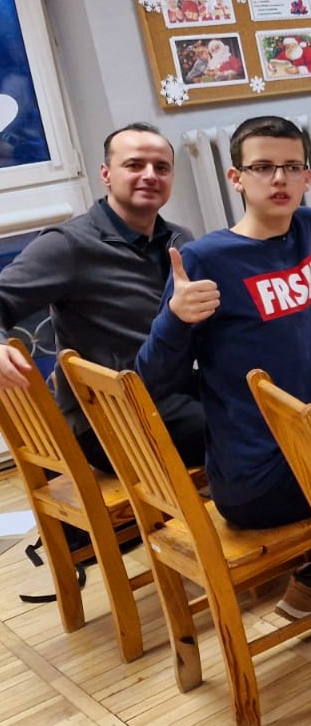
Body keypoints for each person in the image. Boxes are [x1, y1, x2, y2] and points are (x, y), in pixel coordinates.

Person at [135, 116, 311, 618]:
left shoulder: (308, 227)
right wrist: (174, 318)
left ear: (308, 177)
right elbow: (151, 380)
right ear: (236, 178)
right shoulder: (205, 259)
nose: (279, 179)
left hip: (309, 442)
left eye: (291, 167)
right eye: (262, 167)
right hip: (255, 476)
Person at [0, 122, 205, 473]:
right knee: (248, 433)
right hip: (109, 418)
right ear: (106, 174)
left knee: (272, 405)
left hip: (171, 390)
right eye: (134, 165)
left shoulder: (179, 239)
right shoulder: (68, 244)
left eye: (162, 167)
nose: (150, 175)